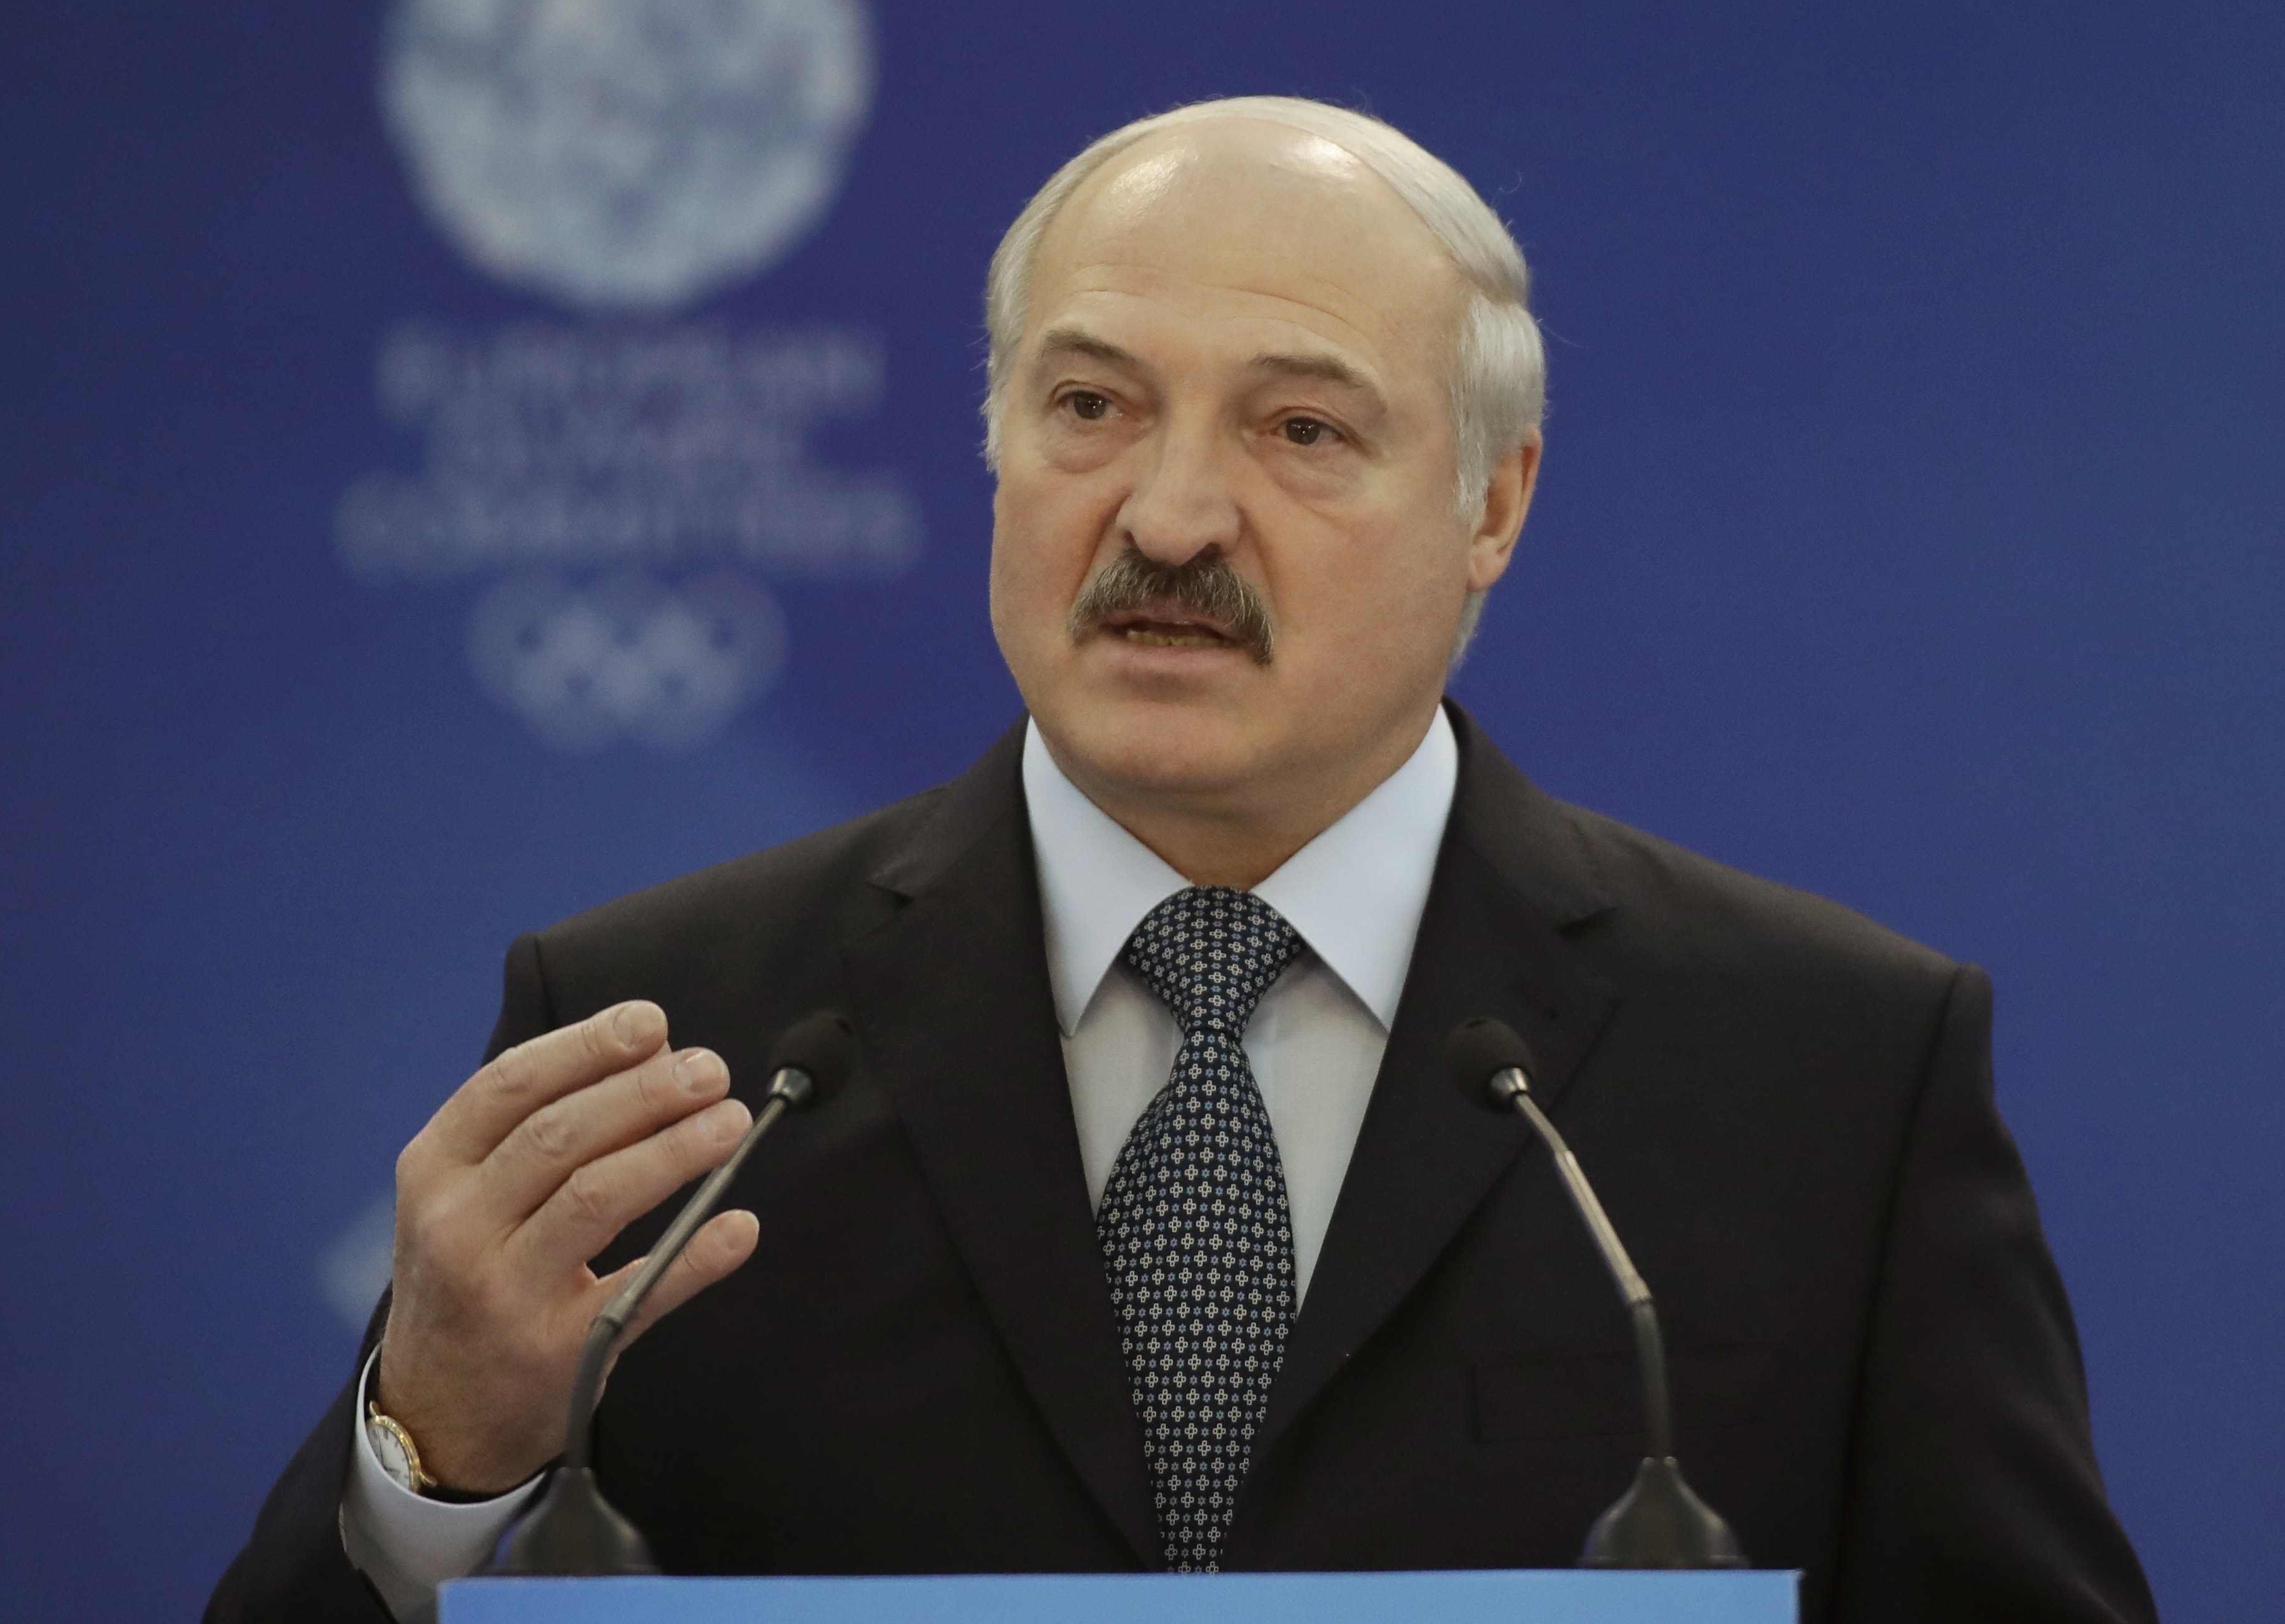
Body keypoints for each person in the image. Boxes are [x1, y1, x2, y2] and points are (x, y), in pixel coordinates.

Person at [208, 98, 2157, 1623]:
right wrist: (441, 1456)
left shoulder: (1828, 1068)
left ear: (1491, 501)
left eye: (1300, 427)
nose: (1165, 511)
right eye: (1088, 405)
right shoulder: (679, 1042)